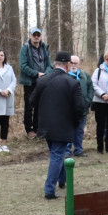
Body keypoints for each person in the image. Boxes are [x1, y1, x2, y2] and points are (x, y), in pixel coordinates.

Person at [31, 51, 85, 199]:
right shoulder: (73, 83)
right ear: (67, 65)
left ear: (55, 64)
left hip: (46, 126)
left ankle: (62, 179)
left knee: (57, 153)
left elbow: (32, 101)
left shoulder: (42, 80)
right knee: (57, 155)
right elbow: (79, 108)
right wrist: (74, 122)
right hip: (63, 126)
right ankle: (49, 190)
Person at [18, 27, 53, 137]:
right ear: (30, 36)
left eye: (38, 35)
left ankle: (37, 129)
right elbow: (23, 66)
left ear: (41, 36)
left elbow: (50, 65)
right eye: (34, 35)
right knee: (29, 106)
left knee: (40, 106)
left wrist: (45, 75)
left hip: (42, 82)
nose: (36, 37)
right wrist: (36, 74)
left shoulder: (44, 48)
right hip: (29, 82)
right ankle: (29, 130)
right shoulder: (25, 48)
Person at [69, 55, 95, 157]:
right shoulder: (66, 75)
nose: (73, 65)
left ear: (79, 64)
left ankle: (78, 150)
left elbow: (91, 89)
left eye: (75, 63)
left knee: (79, 130)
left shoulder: (85, 76)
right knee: (69, 130)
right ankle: (67, 150)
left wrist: (88, 101)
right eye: (71, 63)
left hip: (83, 109)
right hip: (69, 110)